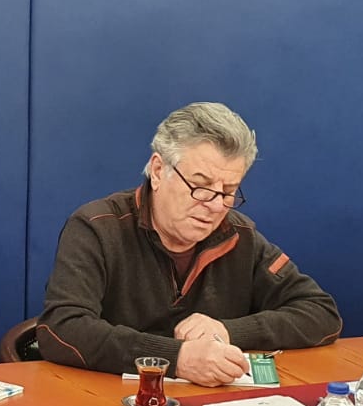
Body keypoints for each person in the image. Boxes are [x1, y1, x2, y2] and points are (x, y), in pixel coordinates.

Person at [38, 102, 342, 385]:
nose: (216, 206)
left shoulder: (239, 235)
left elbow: (321, 313)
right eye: (200, 186)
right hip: (108, 401)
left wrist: (228, 330)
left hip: (210, 404)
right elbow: (63, 328)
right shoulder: (97, 227)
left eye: (229, 191)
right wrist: (176, 358)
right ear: (159, 171)